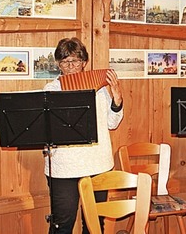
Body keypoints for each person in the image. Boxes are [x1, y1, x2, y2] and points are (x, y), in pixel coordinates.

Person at [43, 37, 123, 234]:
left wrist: (117, 98)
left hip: (97, 164)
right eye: (65, 61)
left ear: (84, 62)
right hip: (63, 168)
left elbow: (112, 124)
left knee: (94, 224)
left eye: (76, 61)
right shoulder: (50, 90)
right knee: (62, 223)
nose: (71, 66)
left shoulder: (100, 90)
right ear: (58, 64)